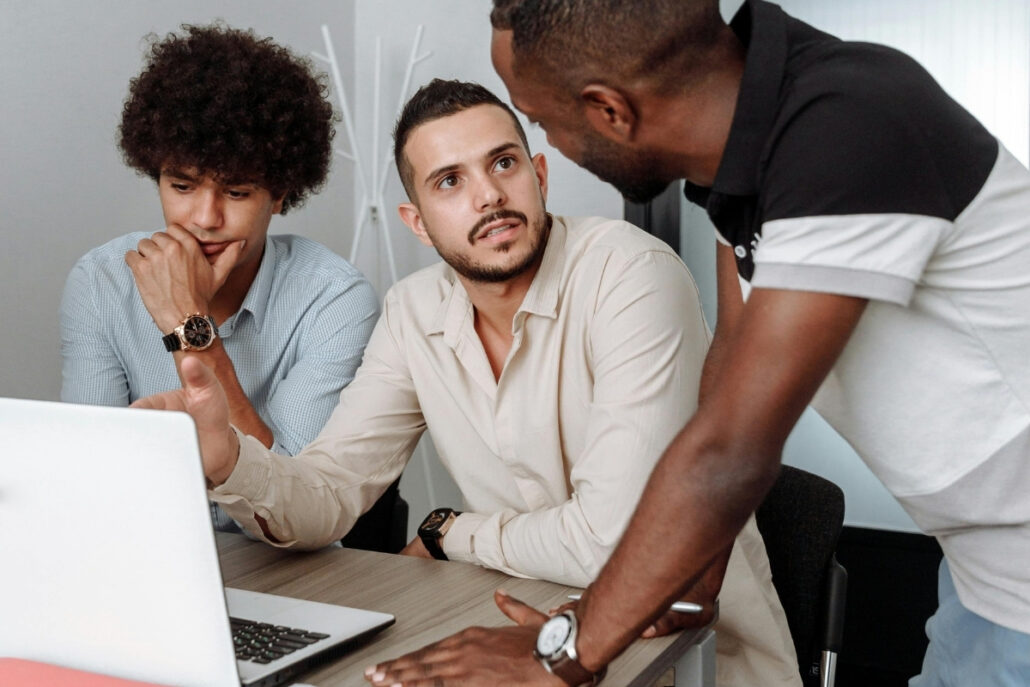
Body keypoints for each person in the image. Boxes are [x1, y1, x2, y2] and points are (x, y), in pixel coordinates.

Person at [362, 1, 1030, 686]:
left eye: (539, 122)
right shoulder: (749, 155)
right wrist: (689, 588)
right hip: (984, 576)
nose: (541, 155)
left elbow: (733, 448)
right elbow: (727, 386)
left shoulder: (842, 129)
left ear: (609, 111)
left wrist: (563, 655)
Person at [135, 78, 801, 687]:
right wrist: (228, 458)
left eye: (503, 164)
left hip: (687, 658)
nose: (487, 195)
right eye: (449, 181)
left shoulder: (631, 273)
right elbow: (329, 492)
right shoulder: (412, 311)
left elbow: (615, 541)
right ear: (417, 222)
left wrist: (455, 532)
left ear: (539, 176)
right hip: (525, 632)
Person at [60, 24, 379, 533]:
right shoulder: (101, 282)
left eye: (236, 192)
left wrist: (187, 322)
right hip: (147, 551)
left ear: (278, 195)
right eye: (182, 185)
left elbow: (291, 505)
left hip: (287, 568)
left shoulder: (334, 299)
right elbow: (93, 478)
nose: (204, 218)